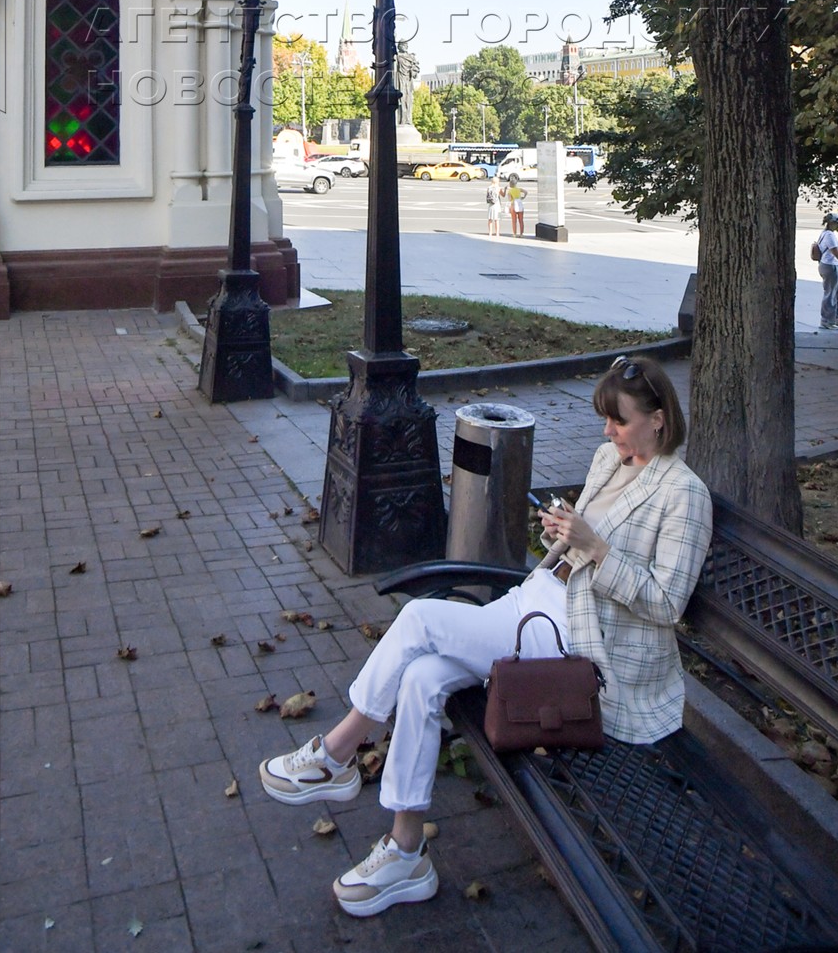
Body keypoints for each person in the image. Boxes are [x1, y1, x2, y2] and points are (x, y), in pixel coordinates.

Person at [259, 355, 712, 919]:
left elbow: (667, 604)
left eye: (618, 421)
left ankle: (337, 753)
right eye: (605, 420)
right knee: (422, 676)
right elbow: (577, 545)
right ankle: (406, 852)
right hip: (537, 599)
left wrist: (595, 547)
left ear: (659, 418)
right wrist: (562, 531)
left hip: (579, 639)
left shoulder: (684, 493)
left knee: (421, 619)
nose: (606, 432)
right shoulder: (609, 459)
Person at [506, 173, 526, 237]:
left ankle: (514, 233)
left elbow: (509, 199)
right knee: (521, 220)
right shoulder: (519, 189)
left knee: (514, 220)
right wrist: (523, 197)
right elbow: (526, 192)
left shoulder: (510, 191)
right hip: (520, 204)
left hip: (513, 205)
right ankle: (521, 234)